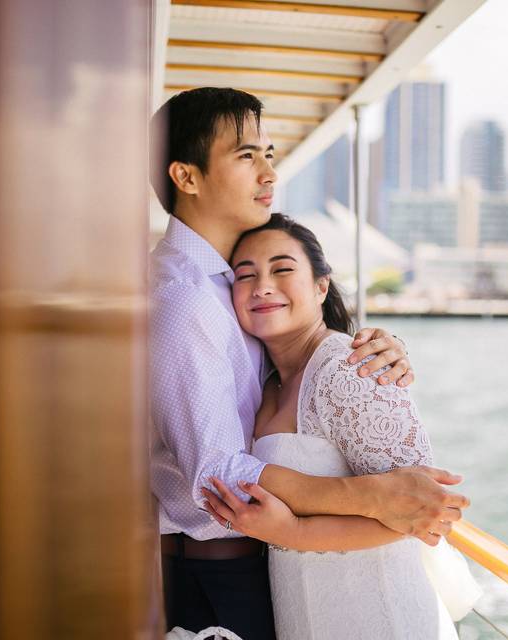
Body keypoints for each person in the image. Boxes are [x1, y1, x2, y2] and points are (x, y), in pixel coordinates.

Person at [149, 87, 469, 639]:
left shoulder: (223, 287)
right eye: (247, 156)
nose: (269, 173)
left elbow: (303, 361)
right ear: (188, 177)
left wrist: (376, 346)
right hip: (218, 568)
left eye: (269, 155)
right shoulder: (185, 299)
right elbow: (215, 473)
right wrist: (369, 496)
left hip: (272, 569)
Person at [202, 214, 461, 638]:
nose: (263, 286)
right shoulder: (262, 381)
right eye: (246, 276)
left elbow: (424, 511)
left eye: (282, 269)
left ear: (322, 285)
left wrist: (293, 531)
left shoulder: (350, 368)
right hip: (307, 613)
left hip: (381, 617)